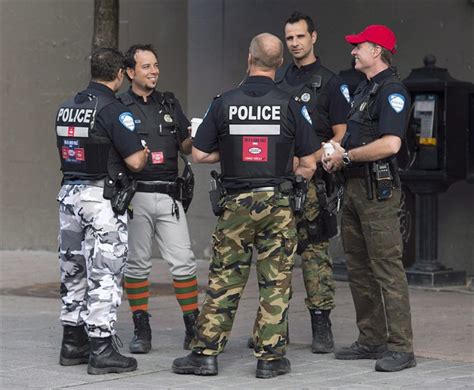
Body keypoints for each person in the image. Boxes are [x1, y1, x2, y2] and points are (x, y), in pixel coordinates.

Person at [172, 32, 319, 379]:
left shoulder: (224, 102)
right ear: (279, 63)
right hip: (278, 202)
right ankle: (269, 359)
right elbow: (310, 162)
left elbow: (200, 153)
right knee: (276, 281)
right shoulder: (292, 104)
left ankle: (205, 355)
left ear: (248, 58)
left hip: (235, 203)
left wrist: (235, 150)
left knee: (224, 278)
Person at [250, 11, 351, 353]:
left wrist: (328, 153)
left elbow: (341, 131)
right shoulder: (279, 82)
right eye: (289, 38)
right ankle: (276, 326)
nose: (294, 43)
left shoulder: (331, 82)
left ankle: (321, 326)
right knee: (275, 255)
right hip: (279, 181)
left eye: (300, 36)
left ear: (314, 37)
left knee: (315, 256)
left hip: (313, 183)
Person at [322, 25, 416, 372]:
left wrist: (346, 156)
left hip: (378, 191)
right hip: (354, 188)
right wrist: (336, 154)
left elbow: (391, 144)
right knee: (359, 269)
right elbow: (356, 140)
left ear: (377, 50)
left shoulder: (392, 91)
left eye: (358, 46)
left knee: (386, 268)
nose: (353, 51)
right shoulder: (365, 89)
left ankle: (402, 348)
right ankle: (371, 339)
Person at [55, 48, 149, 374]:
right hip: (100, 198)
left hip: (68, 195)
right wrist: (144, 153)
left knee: (73, 269)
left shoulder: (68, 107)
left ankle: (72, 342)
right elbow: (136, 160)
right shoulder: (113, 109)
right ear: (120, 74)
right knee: (105, 271)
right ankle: (101, 347)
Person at [118, 44, 198, 354]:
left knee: (184, 262)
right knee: (137, 265)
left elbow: (186, 146)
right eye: (146, 66)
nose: (154, 71)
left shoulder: (168, 102)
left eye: (155, 65)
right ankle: (141, 327)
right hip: (136, 196)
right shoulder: (119, 107)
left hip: (169, 195)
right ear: (129, 72)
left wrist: (199, 134)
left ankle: (193, 326)